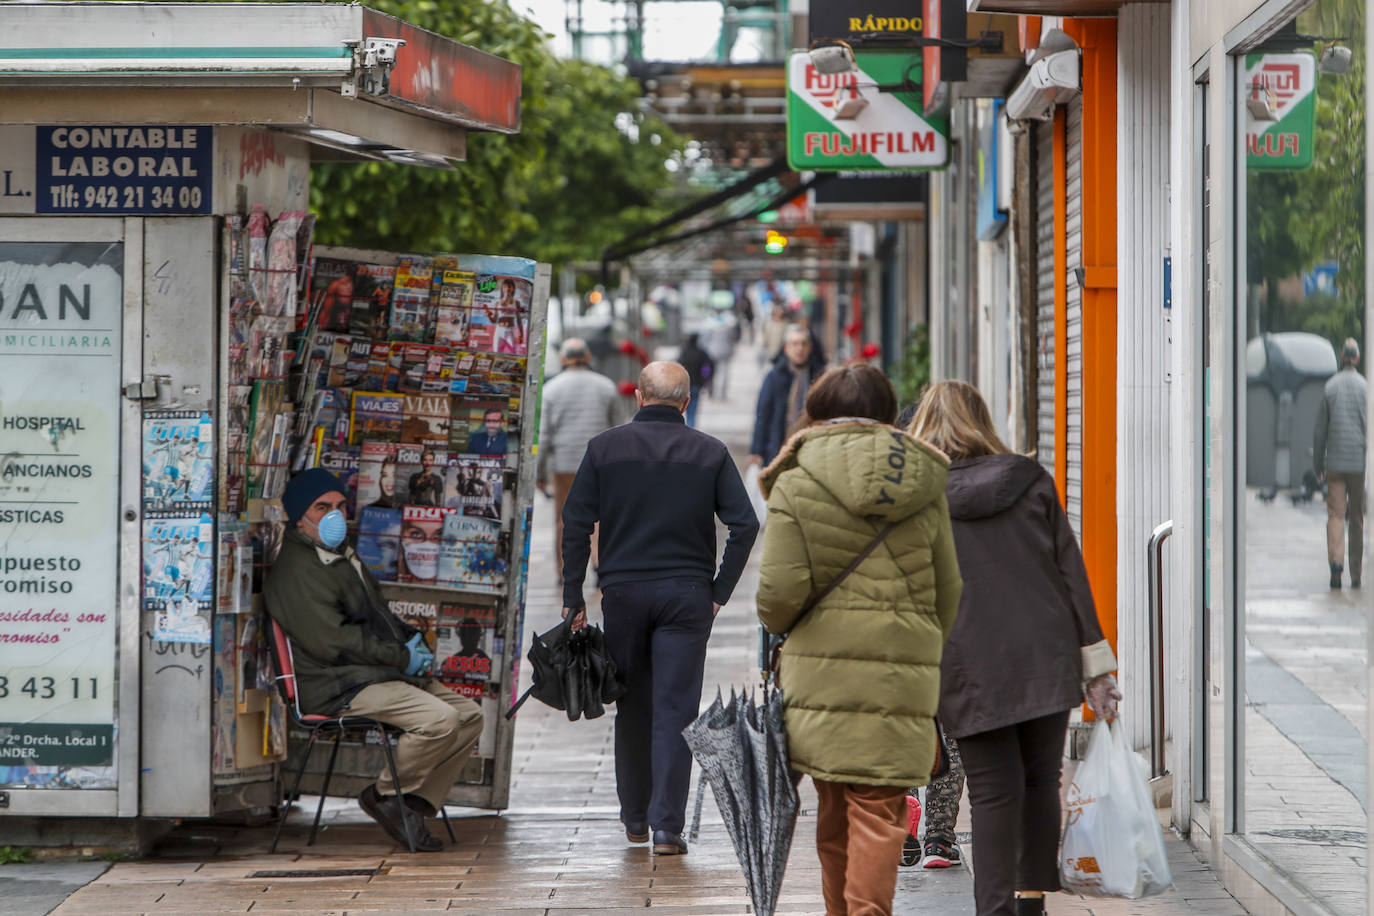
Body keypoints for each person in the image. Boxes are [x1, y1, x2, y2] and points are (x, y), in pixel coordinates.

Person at [908, 381, 1120, 916]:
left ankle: (996, 909)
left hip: (966, 663)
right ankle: (1031, 901)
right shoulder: (1030, 480)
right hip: (1043, 657)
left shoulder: (918, 499)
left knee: (991, 794)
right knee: (1038, 779)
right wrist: (1096, 663)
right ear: (983, 423)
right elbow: (1070, 571)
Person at [756, 364, 962, 916]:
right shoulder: (924, 478)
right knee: (879, 808)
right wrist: (917, 644)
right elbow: (949, 590)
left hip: (820, 678)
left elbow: (776, 598)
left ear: (818, 412)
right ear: (888, 412)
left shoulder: (796, 481)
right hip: (902, 672)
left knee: (832, 808)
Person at [561, 361, 759, 856]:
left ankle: (634, 818)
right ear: (686, 403)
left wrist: (573, 597)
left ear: (637, 395)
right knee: (676, 709)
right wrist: (719, 590)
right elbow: (745, 524)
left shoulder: (604, 449)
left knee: (632, 704)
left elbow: (575, 523)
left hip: (623, 594)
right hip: (687, 595)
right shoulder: (709, 452)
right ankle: (667, 827)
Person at [264, 468, 482, 852]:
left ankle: (410, 802)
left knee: (469, 716)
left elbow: (376, 613)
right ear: (300, 517)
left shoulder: (337, 554)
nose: (334, 514)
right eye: (322, 507)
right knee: (439, 721)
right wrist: (401, 657)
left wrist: (410, 642)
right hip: (337, 683)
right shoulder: (297, 570)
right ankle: (384, 795)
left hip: (369, 671)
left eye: (339, 505)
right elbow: (333, 643)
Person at [538, 337, 619, 577]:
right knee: (598, 518)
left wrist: (540, 473)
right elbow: (616, 430)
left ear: (563, 359)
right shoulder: (606, 386)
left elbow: (543, 436)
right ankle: (598, 563)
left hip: (563, 465)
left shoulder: (550, 390)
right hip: (599, 466)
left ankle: (565, 571)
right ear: (588, 357)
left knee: (564, 520)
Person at [1313, 337, 1367, 589]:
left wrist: (1318, 464)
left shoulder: (1330, 387)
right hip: (1358, 464)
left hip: (1334, 463)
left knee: (1335, 515)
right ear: (1356, 358)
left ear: (1341, 357)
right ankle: (1356, 573)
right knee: (1356, 518)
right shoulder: (1366, 388)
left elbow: (1319, 431)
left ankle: (1336, 564)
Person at [748, 325, 814, 467]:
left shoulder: (817, 375)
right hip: (780, 446)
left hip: (810, 448)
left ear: (810, 347)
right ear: (786, 348)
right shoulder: (775, 376)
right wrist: (757, 449)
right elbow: (763, 413)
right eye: (794, 344)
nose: (799, 348)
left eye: (803, 343)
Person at [676, 332, 714, 428]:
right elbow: (709, 365)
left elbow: (677, 366)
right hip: (697, 384)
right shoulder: (701, 352)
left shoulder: (684, 352)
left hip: (685, 385)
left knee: (686, 408)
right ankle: (691, 426)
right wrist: (705, 377)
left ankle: (688, 426)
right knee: (694, 408)